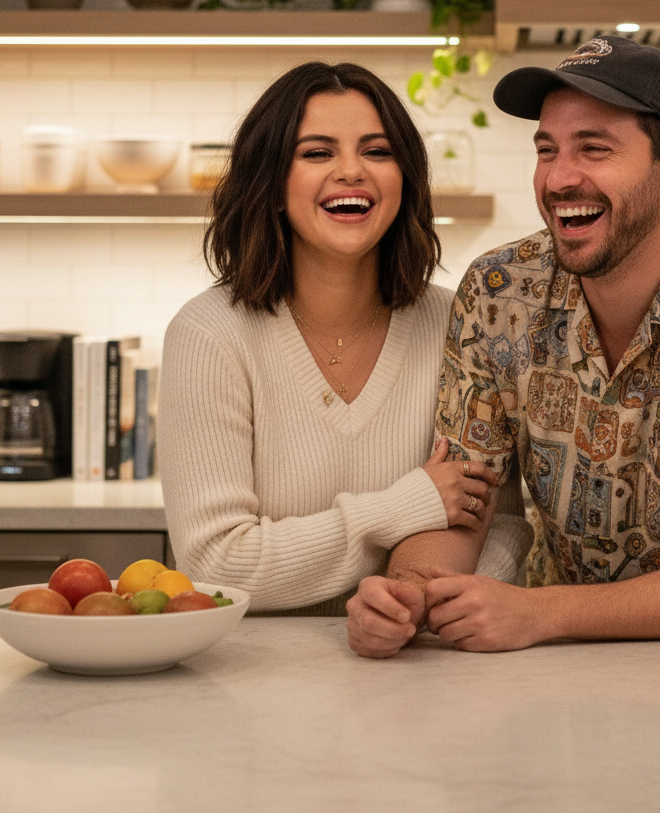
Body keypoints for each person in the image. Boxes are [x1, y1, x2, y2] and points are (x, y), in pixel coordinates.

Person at [347, 35, 660, 654]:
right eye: (547, 150)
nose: (560, 178)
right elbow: (464, 502)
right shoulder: (498, 294)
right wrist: (405, 592)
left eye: (594, 149)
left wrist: (544, 613)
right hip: (561, 674)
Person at [158, 61, 532, 614]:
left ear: (404, 181)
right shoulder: (210, 335)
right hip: (252, 682)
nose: (352, 171)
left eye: (377, 152)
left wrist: (421, 605)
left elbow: (501, 523)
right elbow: (217, 565)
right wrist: (404, 507)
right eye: (317, 152)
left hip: (421, 672)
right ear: (272, 184)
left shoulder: (457, 322)